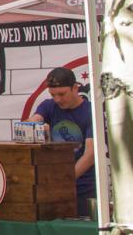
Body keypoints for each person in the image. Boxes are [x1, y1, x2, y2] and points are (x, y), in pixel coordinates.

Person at [34, 67, 96, 218]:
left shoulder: (90, 111)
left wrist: (63, 181)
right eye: (53, 95)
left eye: (62, 94)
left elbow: (90, 155)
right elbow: (32, 122)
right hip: (54, 189)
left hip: (84, 189)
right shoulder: (48, 106)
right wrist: (36, 126)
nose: (58, 99)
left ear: (75, 88)